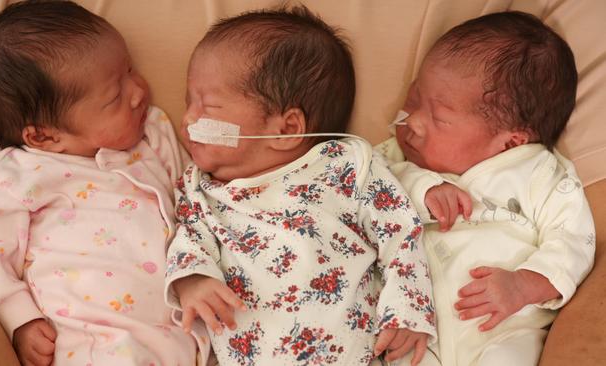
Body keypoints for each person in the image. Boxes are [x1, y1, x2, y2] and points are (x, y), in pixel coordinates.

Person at [164, 6, 436, 366]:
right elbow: (187, 238)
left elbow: (400, 231)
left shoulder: (345, 166)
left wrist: (408, 309)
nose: (188, 120)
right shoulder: (199, 188)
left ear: (288, 128)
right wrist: (192, 280)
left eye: (208, 108)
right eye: (188, 102)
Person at [0, 1, 210, 365]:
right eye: (114, 97)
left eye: (130, 70)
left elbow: (192, 193)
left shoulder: (152, 132)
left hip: (186, 326)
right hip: (95, 337)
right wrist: (19, 318)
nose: (138, 91)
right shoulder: (15, 173)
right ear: (45, 137)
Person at [374, 11, 596, 366]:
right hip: (416, 334)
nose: (412, 121)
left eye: (439, 117)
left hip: (501, 332)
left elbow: (574, 240)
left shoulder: (539, 173)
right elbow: (363, 190)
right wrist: (422, 188)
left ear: (509, 143)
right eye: (414, 100)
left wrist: (525, 284)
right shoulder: (395, 159)